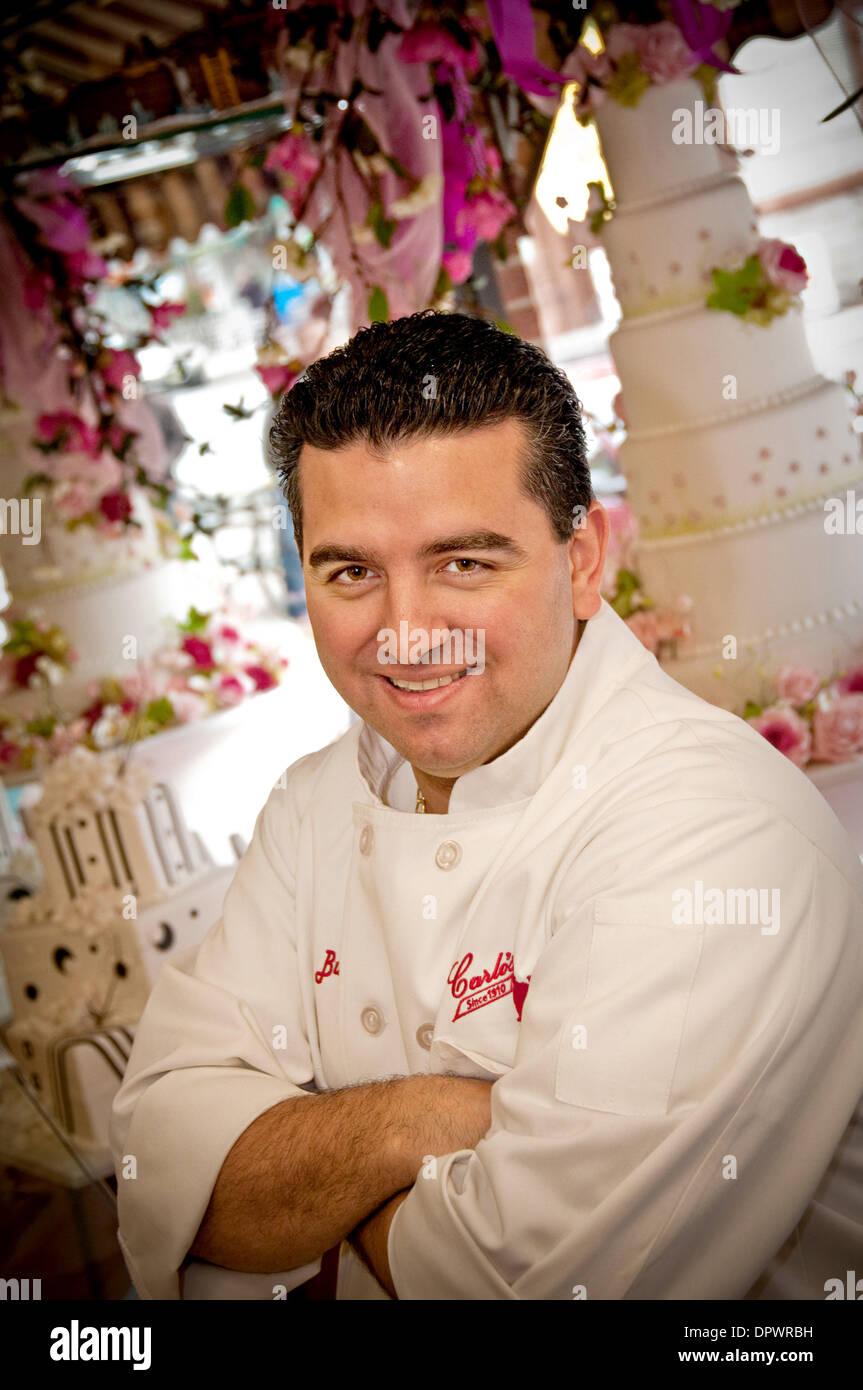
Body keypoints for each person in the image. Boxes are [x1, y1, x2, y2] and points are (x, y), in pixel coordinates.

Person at [110, 311, 863, 1301]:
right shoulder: (311, 806)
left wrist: (299, 1190)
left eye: (464, 562)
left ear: (583, 558)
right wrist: (411, 1121)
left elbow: (510, 1281)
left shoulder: (711, 833)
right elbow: (158, 1166)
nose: (407, 632)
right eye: (351, 572)